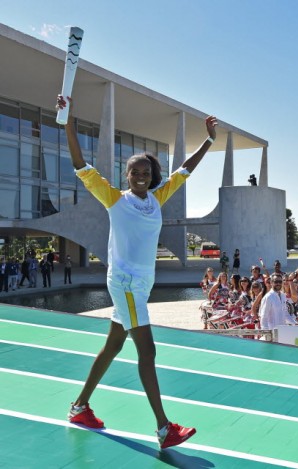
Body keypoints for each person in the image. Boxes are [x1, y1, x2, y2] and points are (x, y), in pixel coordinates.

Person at [58, 94, 216, 449]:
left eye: (146, 172)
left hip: (140, 286)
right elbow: (82, 166)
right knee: (148, 353)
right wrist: (67, 123)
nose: (141, 176)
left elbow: (185, 170)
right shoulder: (114, 198)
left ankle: (79, 407)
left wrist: (208, 141)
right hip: (126, 283)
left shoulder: (157, 199)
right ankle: (164, 429)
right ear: (125, 175)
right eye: (135, 172)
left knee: (113, 346)